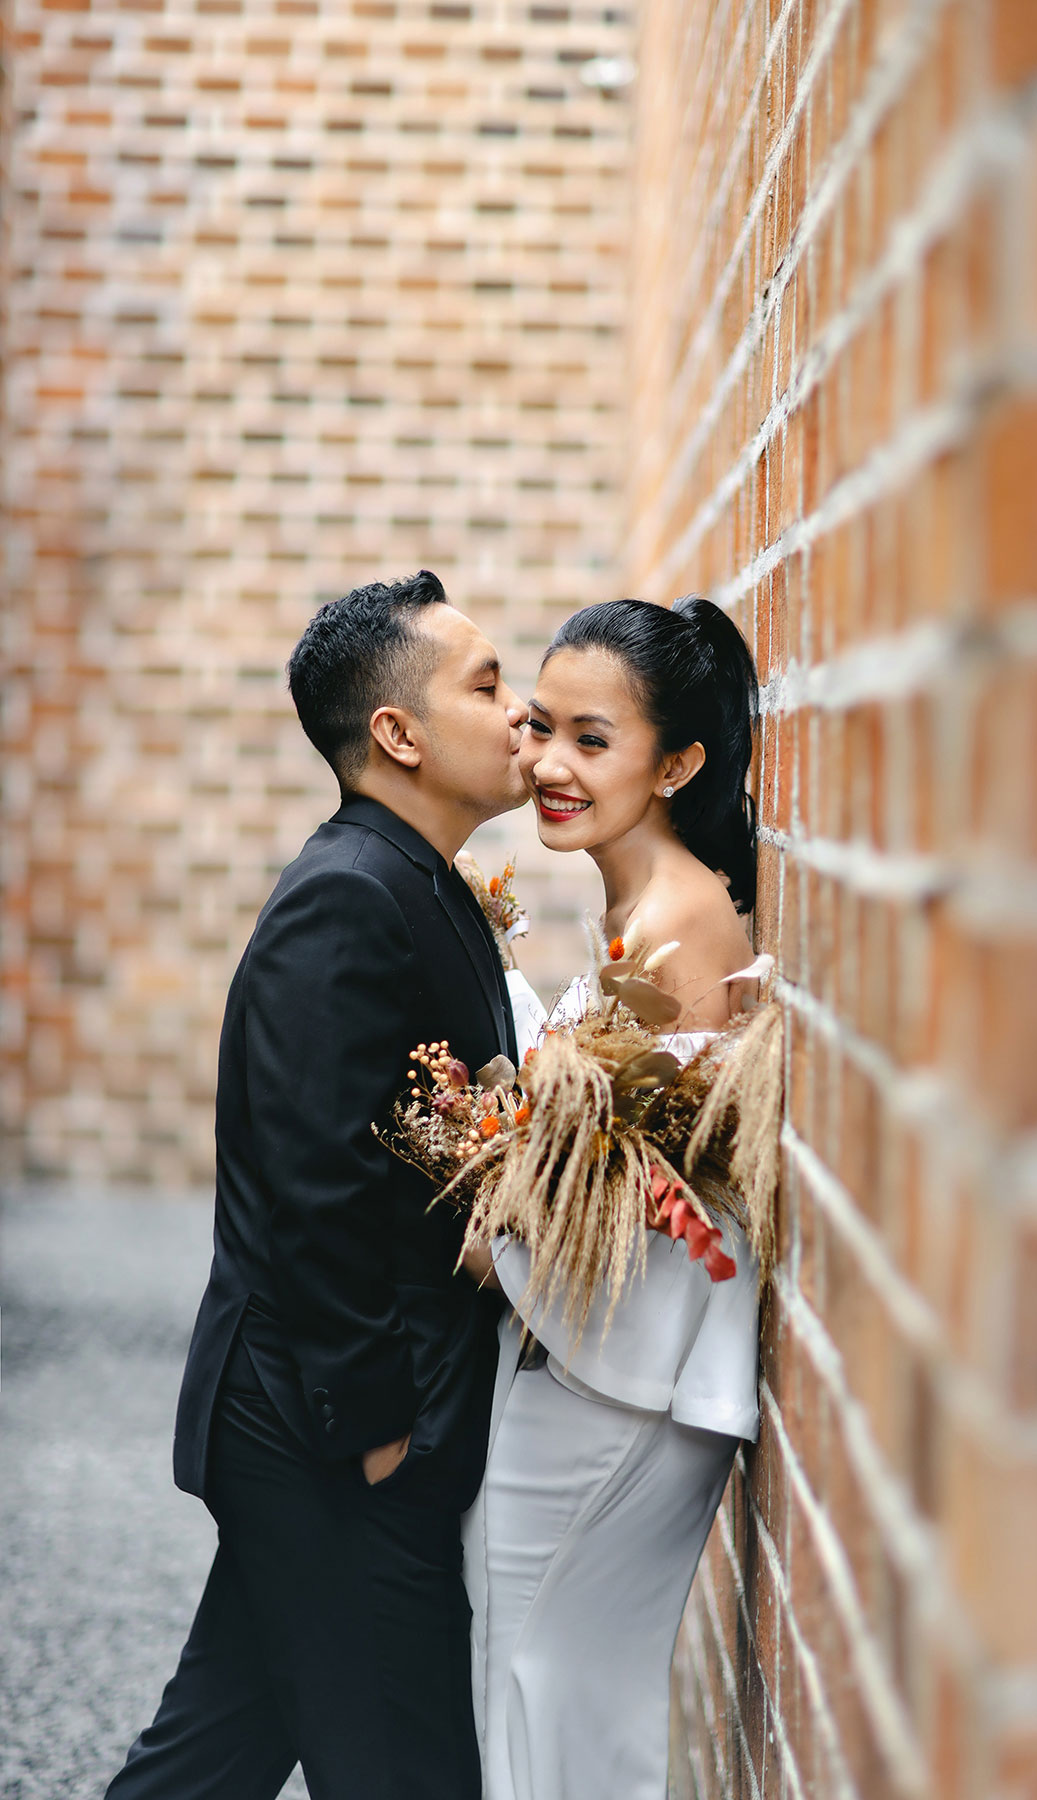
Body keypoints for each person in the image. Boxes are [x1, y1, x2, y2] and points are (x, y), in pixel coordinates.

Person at [106, 570, 529, 1800]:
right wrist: (379, 1435)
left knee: (211, 1753)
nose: (521, 711)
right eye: (488, 685)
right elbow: (314, 1179)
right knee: (406, 1769)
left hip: (348, 1428)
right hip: (323, 1426)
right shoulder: (348, 895)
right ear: (398, 734)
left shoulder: (420, 881)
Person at [461, 595, 764, 1800]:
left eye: (593, 740)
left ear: (676, 764)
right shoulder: (638, 905)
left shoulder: (681, 921)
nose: (549, 764)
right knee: (540, 1688)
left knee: (552, 1691)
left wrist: (489, 1204)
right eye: (542, 728)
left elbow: (642, 1186)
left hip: (628, 1381)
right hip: (598, 1361)